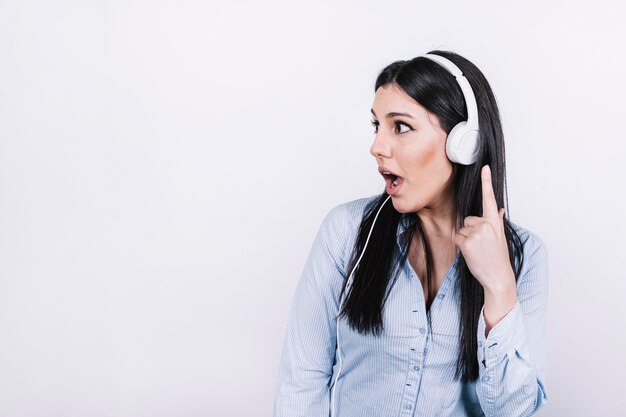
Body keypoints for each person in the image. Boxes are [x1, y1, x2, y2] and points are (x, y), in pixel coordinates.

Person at [272, 50, 548, 417]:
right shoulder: (346, 230)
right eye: (377, 126)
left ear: (462, 143)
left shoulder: (524, 256)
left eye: (400, 126)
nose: (377, 147)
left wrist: (499, 288)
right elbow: (301, 382)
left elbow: (514, 410)